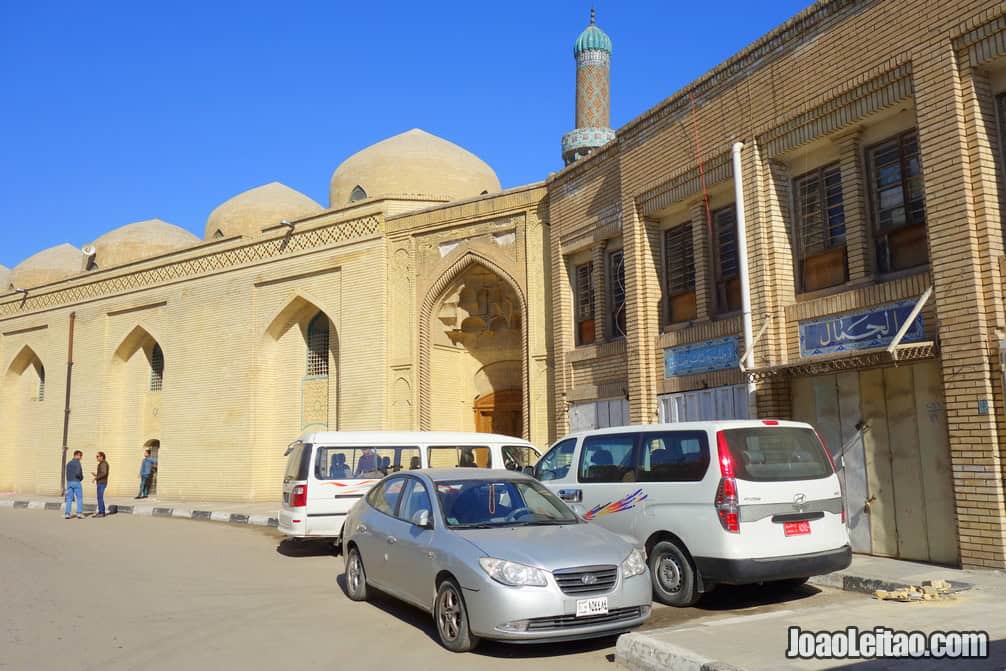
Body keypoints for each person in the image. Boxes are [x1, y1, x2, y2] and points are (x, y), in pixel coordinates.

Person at [64, 450, 84, 519]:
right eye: (80, 455)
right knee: (79, 498)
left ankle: (67, 513)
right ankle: (79, 513)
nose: (81, 457)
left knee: (69, 498)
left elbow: (66, 473)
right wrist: (81, 478)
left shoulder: (68, 463)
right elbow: (78, 473)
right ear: (76, 455)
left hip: (69, 482)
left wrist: (68, 481)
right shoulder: (77, 463)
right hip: (76, 482)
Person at [91, 452, 109, 517]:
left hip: (102, 483)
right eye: (96, 456)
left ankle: (102, 512)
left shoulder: (103, 463)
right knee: (99, 497)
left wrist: (96, 478)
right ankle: (101, 511)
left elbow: (104, 473)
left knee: (100, 497)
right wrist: (96, 475)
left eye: (98, 456)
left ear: (102, 457)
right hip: (100, 482)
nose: (97, 458)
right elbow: (102, 473)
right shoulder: (101, 464)